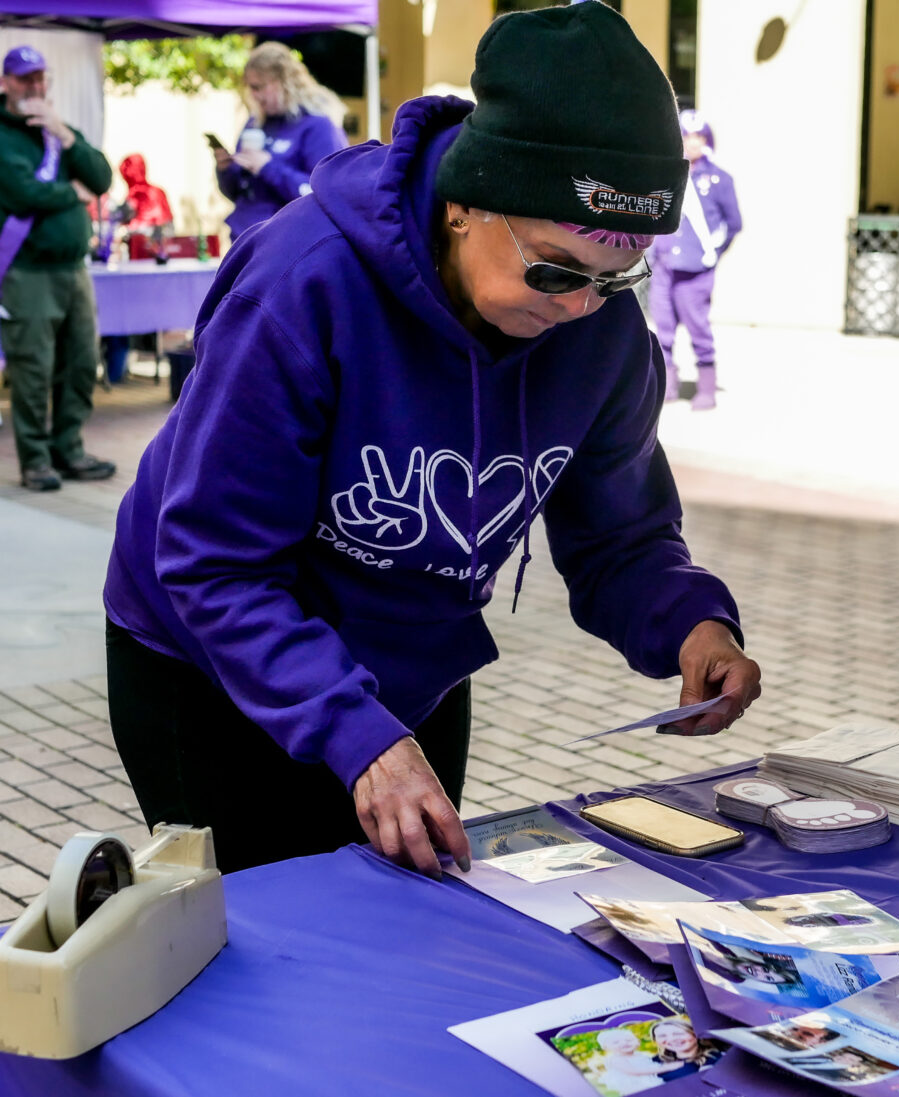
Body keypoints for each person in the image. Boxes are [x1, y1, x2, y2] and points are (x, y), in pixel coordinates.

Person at [103, 3, 762, 876]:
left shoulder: (600, 331)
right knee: (263, 942)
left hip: (410, 659)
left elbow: (622, 536)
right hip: (212, 665)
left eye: (620, 274)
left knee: (409, 913)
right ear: (468, 203)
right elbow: (216, 564)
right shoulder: (304, 288)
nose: (579, 305)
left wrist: (692, 623)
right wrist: (356, 734)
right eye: (556, 267)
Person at [0, 45, 116, 492]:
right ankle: (34, 459)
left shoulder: (56, 129)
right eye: (25, 79)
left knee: (82, 362)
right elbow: (22, 193)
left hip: (73, 267)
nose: (35, 86)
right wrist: (75, 192)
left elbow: (102, 178)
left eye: (40, 77)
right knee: (33, 368)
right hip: (27, 270)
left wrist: (65, 136)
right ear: (7, 83)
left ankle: (69, 449)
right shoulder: (5, 136)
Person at [648, 109, 742, 410]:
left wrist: (712, 252)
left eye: (698, 137)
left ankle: (706, 389)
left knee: (698, 328)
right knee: (662, 329)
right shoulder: (666, 173)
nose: (691, 143)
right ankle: (666, 386)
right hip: (664, 264)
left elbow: (734, 223)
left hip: (695, 269)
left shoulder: (718, 179)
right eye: (685, 136)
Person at [214, 41, 348, 241]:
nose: (253, 95)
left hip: (286, 245)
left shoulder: (318, 126)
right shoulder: (255, 123)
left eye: (258, 87)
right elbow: (238, 193)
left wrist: (267, 167)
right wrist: (226, 171)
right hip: (244, 239)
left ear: (283, 82)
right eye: (250, 88)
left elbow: (325, 195)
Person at [102, 153, 175, 384]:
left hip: (150, 270)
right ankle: (116, 370)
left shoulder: (147, 196)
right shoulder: (130, 200)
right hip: (133, 269)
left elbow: (167, 230)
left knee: (123, 315)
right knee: (119, 315)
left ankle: (117, 371)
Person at [591, 1027, 670, 1093]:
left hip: (649, 1079)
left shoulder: (640, 1054)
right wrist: (666, 1068)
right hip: (635, 1084)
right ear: (606, 1047)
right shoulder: (616, 1059)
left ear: (638, 1042)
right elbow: (634, 1072)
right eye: (616, 1042)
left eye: (629, 1040)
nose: (624, 1043)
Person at [649, 1017, 724, 1080]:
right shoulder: (653, 1062)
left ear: (695, 1034)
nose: (671, 1039)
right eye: (662, 1036)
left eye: (678, 1034)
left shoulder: (717, 1058)